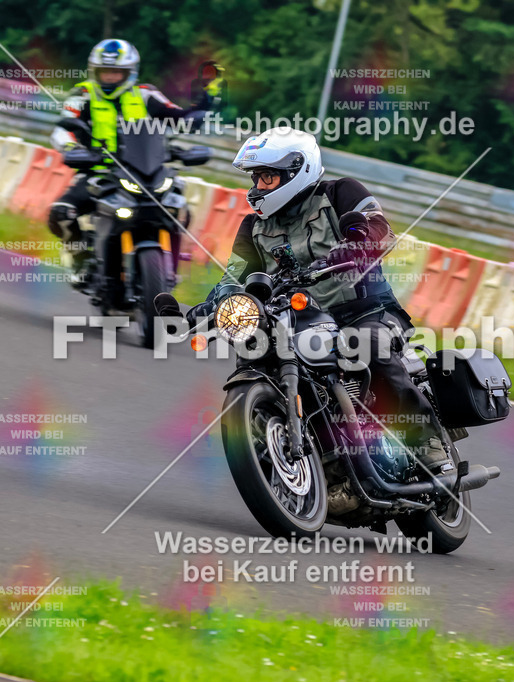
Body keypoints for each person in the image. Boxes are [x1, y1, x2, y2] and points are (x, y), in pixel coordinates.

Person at [190, 127, 451, 473]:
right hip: (298, 322)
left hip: (367, 311)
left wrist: (358, 244)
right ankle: (279, 459)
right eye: (256, 178)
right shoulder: (252, 227)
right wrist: (215, 303)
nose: (258, 188)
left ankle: (426, 441)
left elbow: (379, 227)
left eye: (268, 177)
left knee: (368, 346)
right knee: (253, 357)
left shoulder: (341, 192)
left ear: (297, 170)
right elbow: (235, 275)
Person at [48, 39, 214, 287]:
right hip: (99, 172)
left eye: (117, 72)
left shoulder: (146, 94)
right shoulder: (81, 95)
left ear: (130, 72)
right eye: (105, 72)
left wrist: (201, 107)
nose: (110, 77)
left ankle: (171, 265)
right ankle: (80, 256)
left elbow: (178, 118)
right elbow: (62, 129)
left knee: (180, 207)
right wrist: (72, 149)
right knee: (61, 212)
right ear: (94, 71)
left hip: (148, 172)